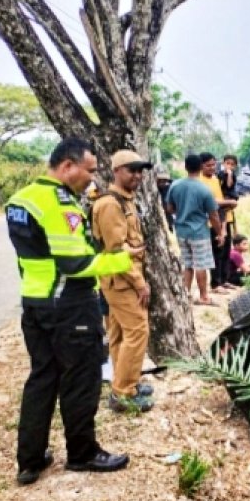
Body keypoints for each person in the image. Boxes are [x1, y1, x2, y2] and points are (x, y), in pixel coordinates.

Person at [5, 137, 141, 485]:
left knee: (42, 378)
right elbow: (74, 262)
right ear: (67, 165)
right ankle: (82, 453)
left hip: (35, 303)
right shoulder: (58, 204)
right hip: (69, 305)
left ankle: (30, 459)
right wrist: (125, 258)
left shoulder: (20, 200)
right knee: (81, 379)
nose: (93, 179)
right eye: (89, 170)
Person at [92, 150, 154, 413]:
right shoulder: (109, 204)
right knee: (138, 331)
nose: (137, 176)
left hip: (121, 277)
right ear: (116, 170)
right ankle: (123, 393)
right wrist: (139, 283)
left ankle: (125, 381)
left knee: (118, 333)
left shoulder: (124, 200)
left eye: (140, 171)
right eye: (131, 170)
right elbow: (116, 250)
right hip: (122, 279)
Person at [166, 154, 224, 306]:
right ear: (200, 168)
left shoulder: (175, 185)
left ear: (185, 167)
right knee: (201, 265)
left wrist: (182, 211)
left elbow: (170, 208)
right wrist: (220, 233)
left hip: (181, 231)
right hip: (199, 232)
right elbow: (214, 215)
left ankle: (186, 294)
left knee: (188, 264)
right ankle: (204, 296)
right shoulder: (204, 189)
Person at [198, 153, 237, 292]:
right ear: (201, 165)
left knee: (226, 251)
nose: (212, 168)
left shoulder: (216, 179)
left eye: (213, 164)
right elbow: (211, 202)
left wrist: (225, 221)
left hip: (223, 220)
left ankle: (224, 279)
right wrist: (230, 202)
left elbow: (224, 197)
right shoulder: (200, 181)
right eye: (208, 165)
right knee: (216, 253)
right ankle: (216, 283)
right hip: (210, 222)